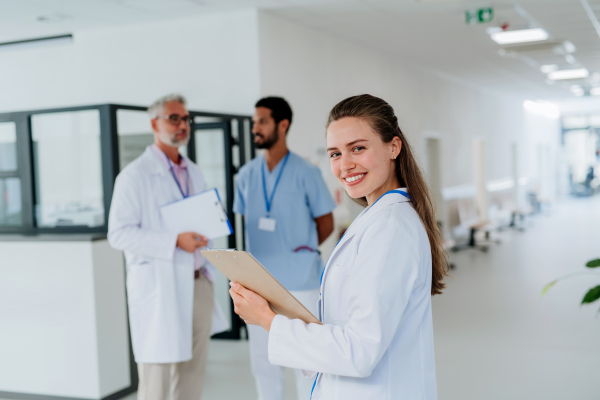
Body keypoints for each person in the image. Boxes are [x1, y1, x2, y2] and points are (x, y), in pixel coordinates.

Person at [229, 94, 448, 400]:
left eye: (358, 148)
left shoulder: (389, 229)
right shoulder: (377, 219)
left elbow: (358, 351)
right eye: (335, 154)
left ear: (393, 147)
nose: (345, 165)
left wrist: (268, 319)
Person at [108, 94, 227, 400]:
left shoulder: (194, 171)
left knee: (192, 374)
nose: (182, 124)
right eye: (174, 118)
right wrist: (174, 241)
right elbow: (118, 234)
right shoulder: (134, 176)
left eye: (185, 118)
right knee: (156, 379)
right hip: (160, 287)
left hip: (199, 283)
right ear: (154, 123)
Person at [233, 96, 336, 400]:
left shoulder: (306, 172)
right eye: (254, 122)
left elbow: (326, 223)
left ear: (283, 124)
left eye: (262, 121)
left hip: (300, 282)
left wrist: (298, 250)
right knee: (264, 365)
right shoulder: (247, 176)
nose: (255, 128)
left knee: (305, 362)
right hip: (257, 283)